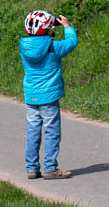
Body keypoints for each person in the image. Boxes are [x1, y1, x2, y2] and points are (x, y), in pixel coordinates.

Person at [20, 10, 78, 180]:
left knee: (33, 131)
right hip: (49, 97)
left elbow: (39, 40)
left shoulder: (24, 46)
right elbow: (72, 42)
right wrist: (66, 26)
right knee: (52, 131)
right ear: (49, 28)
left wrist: (49, 29)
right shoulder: (53, 47)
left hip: (31, 95)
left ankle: (32, 168)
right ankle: (50, 168)